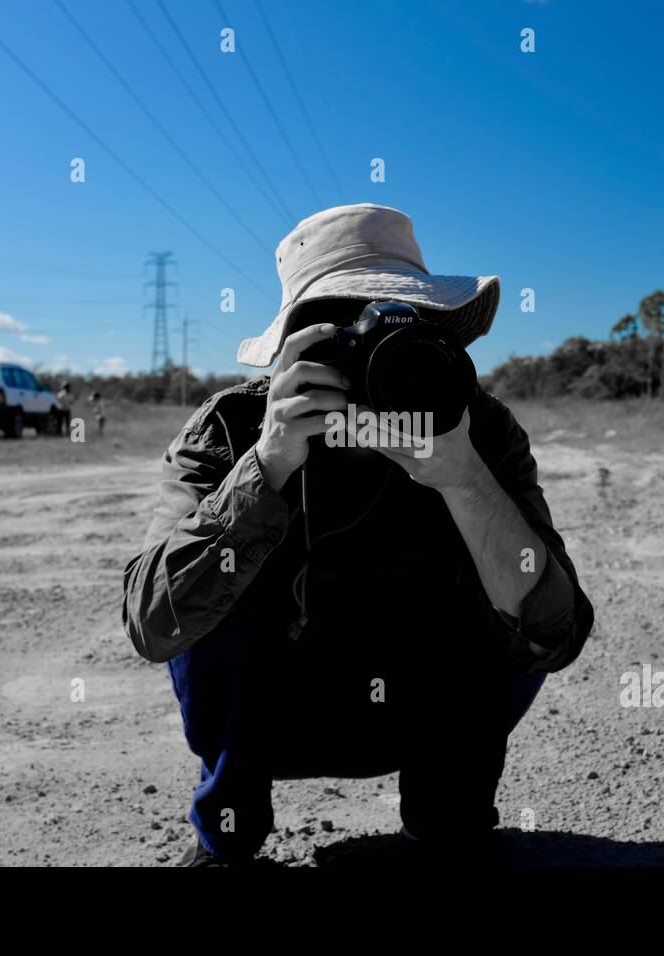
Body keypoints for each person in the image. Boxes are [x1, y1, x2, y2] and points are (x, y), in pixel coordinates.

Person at [122, 204, 594, 866]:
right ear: (296, 350)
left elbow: (556, 630)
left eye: (406, 329)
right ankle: (228, 831)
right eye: (348, 333)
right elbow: (154, 623)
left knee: (505, 572)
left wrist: (463, 480)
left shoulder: (476, 430)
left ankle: (446, 820)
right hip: (270, 719)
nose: (381, 358)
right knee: (213, 571)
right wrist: (266, 468)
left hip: (422, 711)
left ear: (440, 339)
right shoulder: (233, 428)